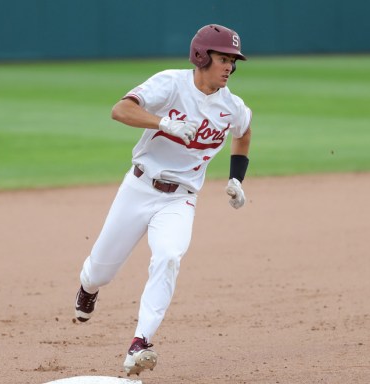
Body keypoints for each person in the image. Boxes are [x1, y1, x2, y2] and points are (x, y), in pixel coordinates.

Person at [73, 24, 252, 375]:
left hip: (180, 199)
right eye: (223, 58)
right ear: (201, 57)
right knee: (99, 271)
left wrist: (236, 178)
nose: (229, 66)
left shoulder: (233, 107)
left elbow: (243, 134)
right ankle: (87, 287)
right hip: (138, 189)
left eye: (233, 60)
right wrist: (164, 124)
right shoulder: (170, 83)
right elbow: (120, 110)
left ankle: (141, 341)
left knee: (169, 256)